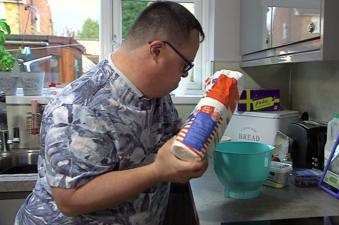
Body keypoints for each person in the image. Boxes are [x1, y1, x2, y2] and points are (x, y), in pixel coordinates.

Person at [15, 1, 208, 224]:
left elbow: (172, 136)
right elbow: (70, 200)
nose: (184, 76)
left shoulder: (157, 94)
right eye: (185, 66)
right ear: (156, 50)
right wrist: (158, 170)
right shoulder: (79, 106)